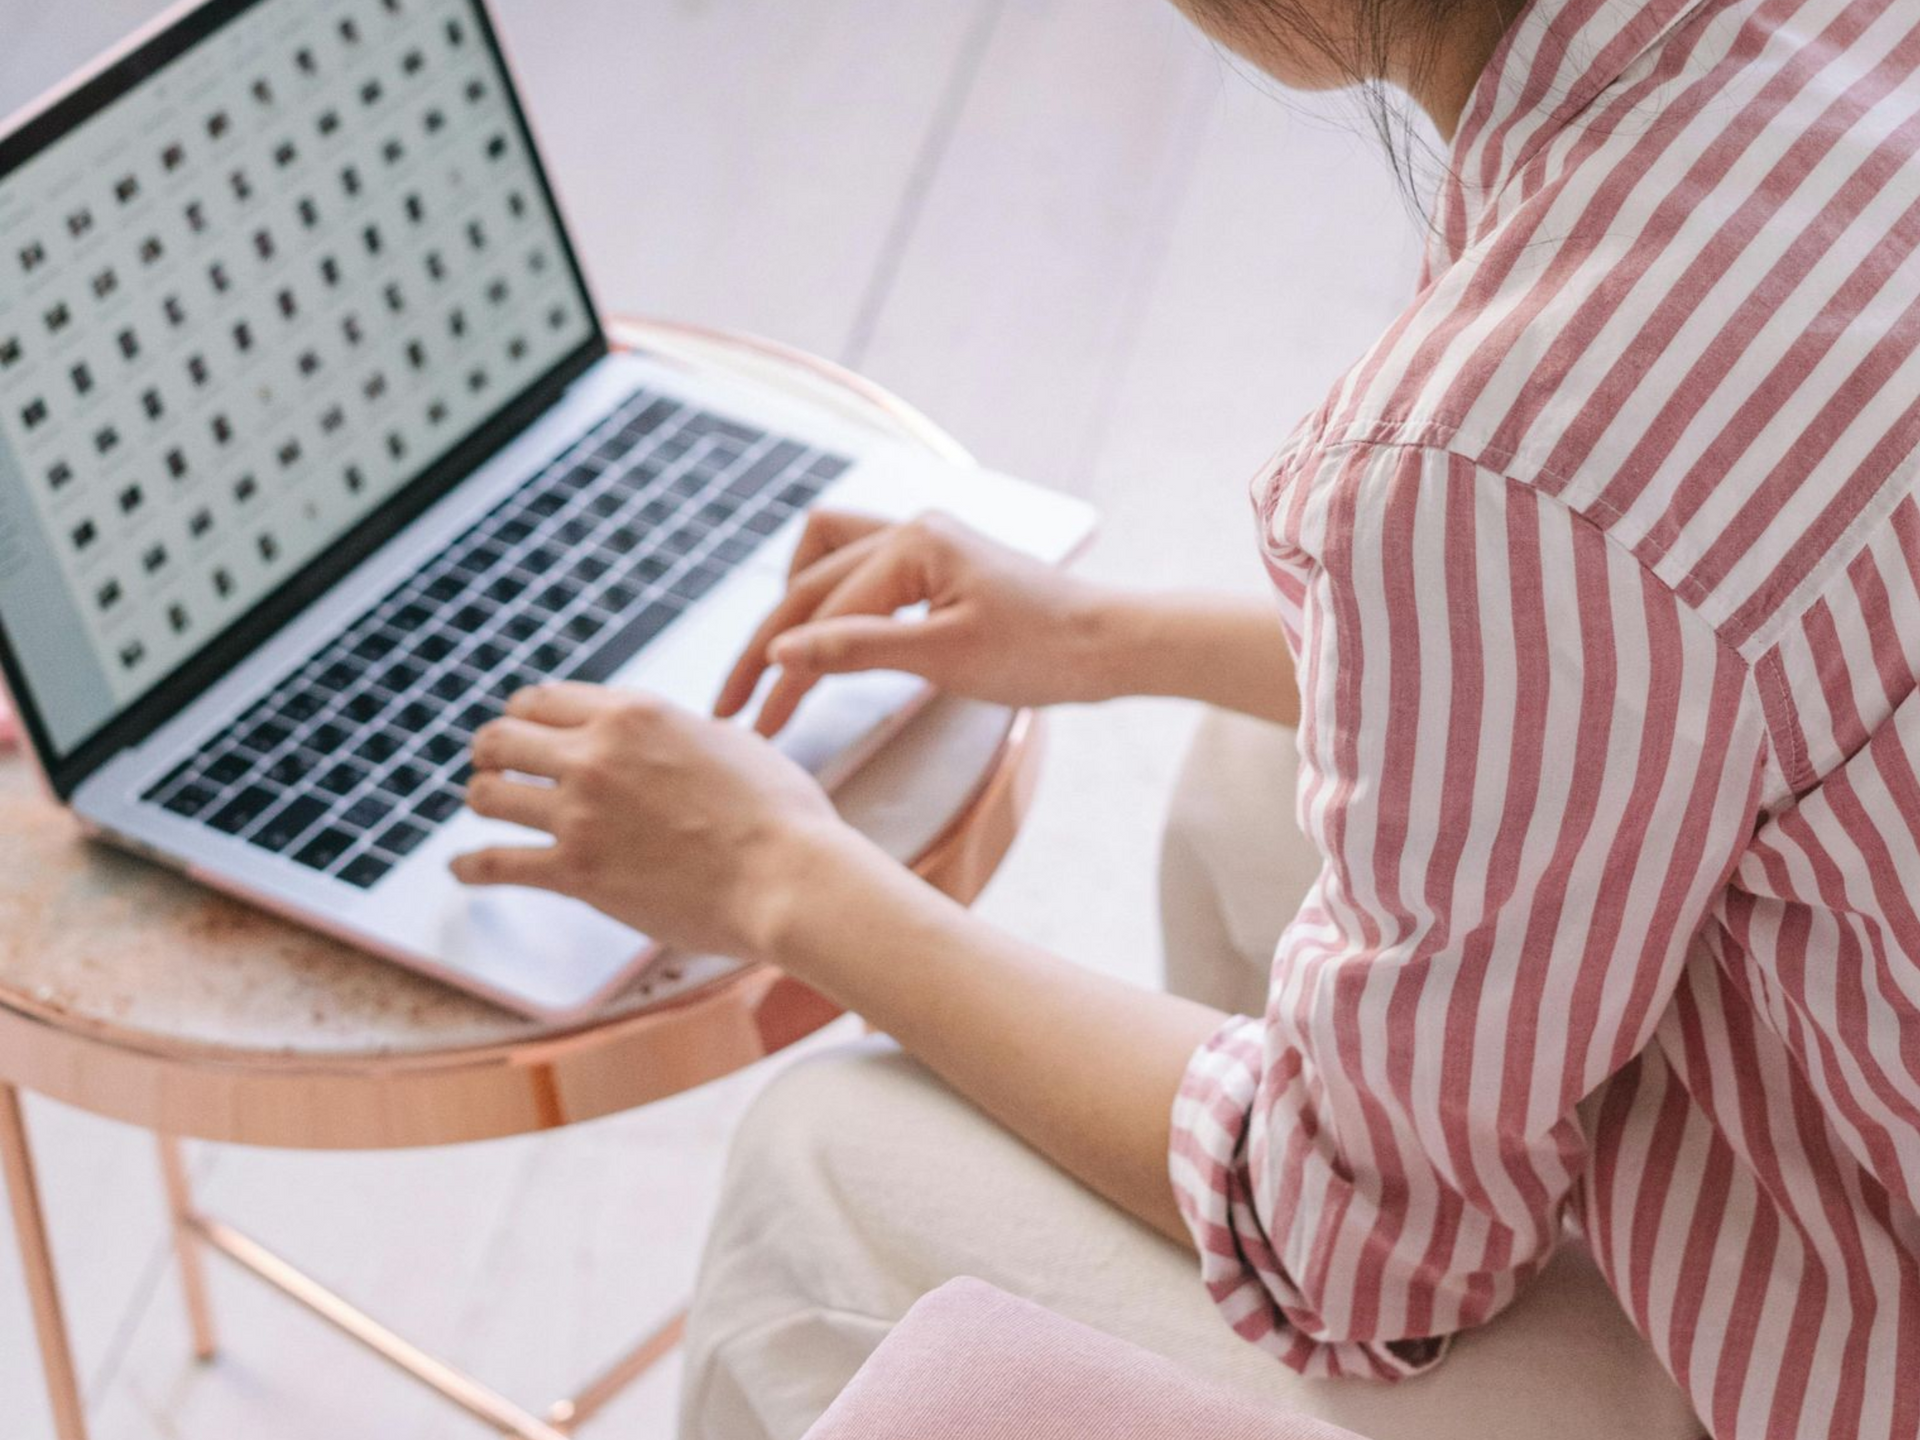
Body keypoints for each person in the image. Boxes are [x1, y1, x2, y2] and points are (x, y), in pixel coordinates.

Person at [450, 0, 1920, 1433]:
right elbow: (1689, 660)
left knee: (815, 1162)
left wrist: (785, 876)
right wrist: (1103, 635)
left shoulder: (1505, 438)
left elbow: (1364, 1260)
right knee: (1242, 784)